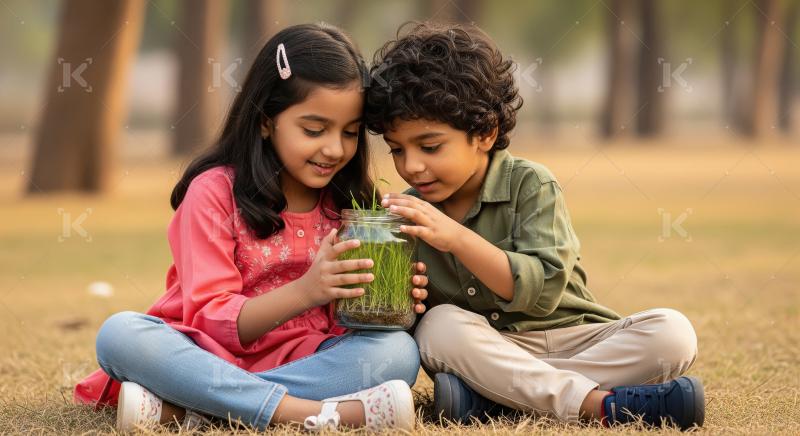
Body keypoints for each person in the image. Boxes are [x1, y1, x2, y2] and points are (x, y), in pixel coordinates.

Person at [74, 23, 429, 432]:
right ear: (265, 120)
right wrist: (307, 290)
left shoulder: (348, 206)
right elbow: (208, 318)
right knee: (120, 334)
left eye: (349, 133)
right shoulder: (213, 194)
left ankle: (195, 409)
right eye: (314, 130)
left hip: (306, 360)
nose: (334, 149)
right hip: (204, 356)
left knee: (398, 351)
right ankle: (299, 414)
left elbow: (344, 323)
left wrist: (387, 300)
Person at [364, 22, 703, 430]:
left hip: (571, 336)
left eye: (430, 146)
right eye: (397, 150)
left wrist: (455, 238)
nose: (411, 166)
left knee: (673, 333)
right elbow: (417, 327)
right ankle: (597, 405)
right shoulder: (405, 214)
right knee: (438, 328)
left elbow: (541, 292)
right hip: (488, 348)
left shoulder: (530, 184)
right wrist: (402, 300)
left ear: (485, 133)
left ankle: (496, 399)